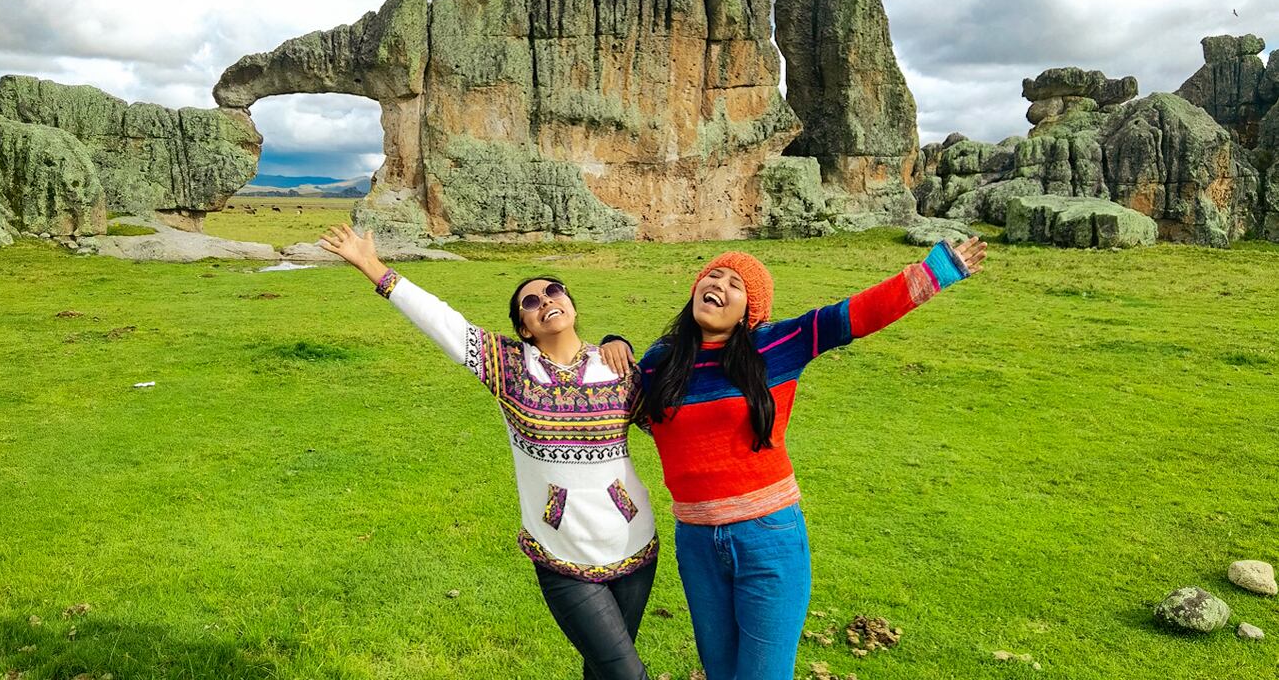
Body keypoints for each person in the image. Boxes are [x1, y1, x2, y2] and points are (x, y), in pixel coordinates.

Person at [609, 238, 986, 680]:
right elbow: (612, 408)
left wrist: (938, 269)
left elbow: (855, 315)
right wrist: (611, 345)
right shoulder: (661, 362)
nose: (719, 285)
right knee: (720, 670)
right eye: (713, 275)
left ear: (751, 311)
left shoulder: (775, 346)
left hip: (768, 536)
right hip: (696, 543)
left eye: (736, 284)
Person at [319, 224, 659, 680]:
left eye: (554, 291)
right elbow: (443, 322)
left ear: (572, 304)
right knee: (625, 673)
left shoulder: (618, 367)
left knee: (602, 669)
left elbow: (677, 425)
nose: (546, 302)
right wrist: (372, 267)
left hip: (634, 545)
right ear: (524, 327)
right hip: (561, 553)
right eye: (532, 302)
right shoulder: (510, 367)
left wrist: (625, 343)